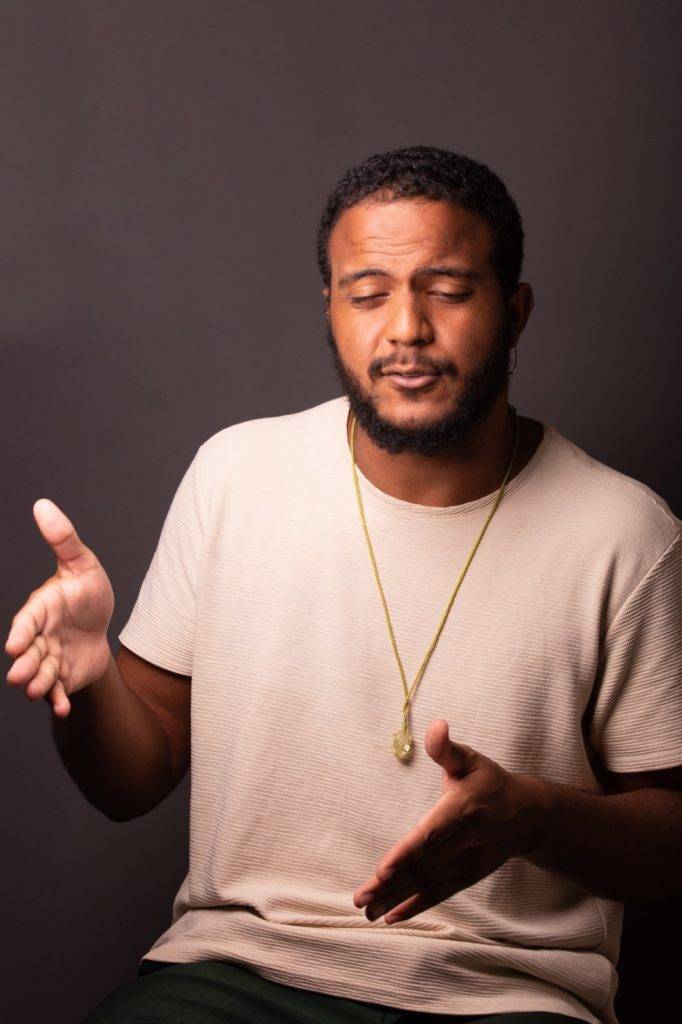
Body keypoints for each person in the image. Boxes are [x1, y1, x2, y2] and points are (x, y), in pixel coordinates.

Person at [5, 145, 681, 1024]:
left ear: (515, 312)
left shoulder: (623, 532)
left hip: (506, 995)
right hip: (239, 974)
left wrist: (535, 818)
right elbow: (131, 782)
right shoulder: (235, 475)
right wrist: (92, 679)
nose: (405, 328)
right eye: (367, 294)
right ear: (330, 308)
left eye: (447, 290)